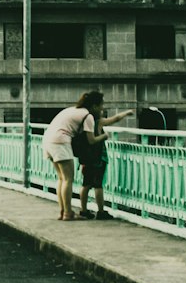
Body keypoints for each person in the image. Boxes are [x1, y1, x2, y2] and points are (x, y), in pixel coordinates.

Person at [42, 90, 130, 222]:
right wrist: (105, 136)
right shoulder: (87, 116)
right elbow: (92, 140)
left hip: (48, 140)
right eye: (101, 105)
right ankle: (67, 213)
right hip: (60, 141)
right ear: (94, 106)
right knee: (68, 179)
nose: (102, 108)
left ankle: (63, 211)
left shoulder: (74, 110)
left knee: (61, 179)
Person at [77, 97, 134, 219]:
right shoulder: (98, 122)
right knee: (98, 185)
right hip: (97, 158)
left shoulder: (83, 121)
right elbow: (115, 119)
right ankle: (101, 211)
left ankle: (83, 210)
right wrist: (127, 113)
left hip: (86, 157)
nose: (102, 109)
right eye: (101, 107)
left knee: (86, 184)